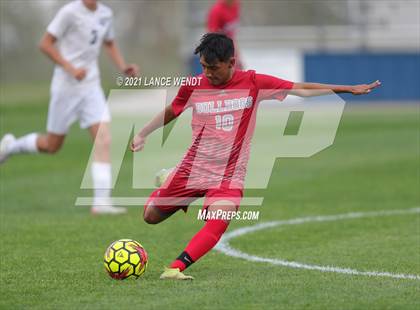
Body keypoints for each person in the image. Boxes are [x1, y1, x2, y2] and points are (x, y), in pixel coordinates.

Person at [131, 33, 381, 280]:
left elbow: (300, 89)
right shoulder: (194, 86)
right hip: (193, 169)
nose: (207, 73)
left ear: (231, 62)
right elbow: (172, 110)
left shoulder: (253, 82)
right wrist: (143, 133)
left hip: (229, 174)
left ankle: (175, 268)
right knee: (150, 217)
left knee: (218, 220)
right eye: (204, 67)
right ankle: (170, 177)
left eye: (213, 68)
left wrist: (346, 89)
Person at [0, 0, 138, 214]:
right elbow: (45, 44)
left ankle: (101, 202)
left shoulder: (106, 14)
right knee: (52, 145)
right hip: (66, 87)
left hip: (91, 86)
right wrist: (70, 68)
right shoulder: (69, 12)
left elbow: (109, 42)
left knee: (104, 138)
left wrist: (123, 66)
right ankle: (10, 147)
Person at [207, 0, 242, 69]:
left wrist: (237, 56)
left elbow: (231, 35)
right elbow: (212, 36)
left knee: (238, 70)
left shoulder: (236, 5)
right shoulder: (217, 10)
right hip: (219, 49)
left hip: (231, 47)